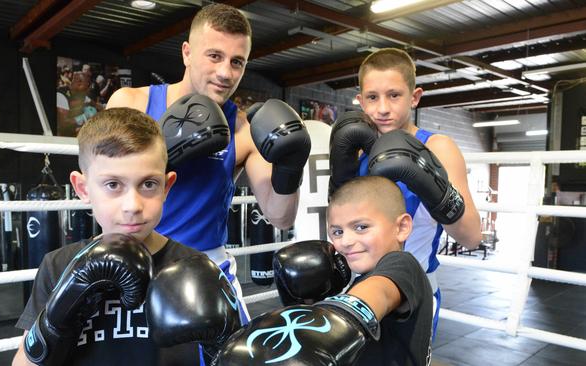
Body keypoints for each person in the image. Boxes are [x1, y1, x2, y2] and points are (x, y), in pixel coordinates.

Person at [107, 3, 310, 322]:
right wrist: (164, 149)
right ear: (187, 53)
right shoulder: (131, 103)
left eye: (237, 62)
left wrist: (291, 165)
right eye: (214, 56)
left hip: (208, 267)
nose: (225, 73)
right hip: (134, 261)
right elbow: (107, 187)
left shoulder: (243, 129)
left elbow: (281, 217)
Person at [12, 108, 240, 365]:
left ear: (167, 187)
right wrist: (54, 321)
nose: (132, 205)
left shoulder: (194, 268)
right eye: (113, 185)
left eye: (148, 184)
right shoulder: (58, 265)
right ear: (82, 188)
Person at [329, 47, 482, 337]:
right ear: (360, 100)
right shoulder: (354, 148)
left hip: (412, 292)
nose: (383, 108)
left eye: (394, 95)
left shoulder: (437, 147)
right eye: (373, 97)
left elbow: (472, 237)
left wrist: (430, 185)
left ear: (415, 97)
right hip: (354, 291)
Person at [216, 176, 433, 365]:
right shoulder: (365, 275)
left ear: (402, 227)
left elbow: (379, 293)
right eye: (337, 231)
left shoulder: (403, 265)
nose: (346, 241)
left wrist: (331, 319)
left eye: (361, 227)